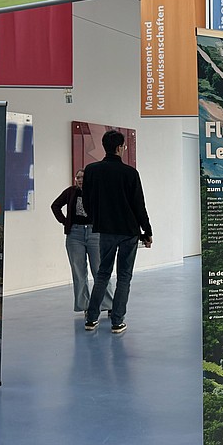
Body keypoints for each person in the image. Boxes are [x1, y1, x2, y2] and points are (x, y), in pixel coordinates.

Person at [82, 130, 153, 334]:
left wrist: (96, 219)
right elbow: (139, 205)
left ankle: (91, 318)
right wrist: (147, 230)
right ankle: (117, 321)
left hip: (105, 230)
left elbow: (87, 201)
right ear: (120, 147)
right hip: (128, 231)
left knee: (102, 274)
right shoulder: (130, 173)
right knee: (124, 277)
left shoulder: (92, 170)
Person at [50, 169, 113, 314]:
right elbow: (55, 206)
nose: (80, 180)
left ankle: (108, 304)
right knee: (78, 272)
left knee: (100, 270)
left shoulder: (97, 191)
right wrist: (65, 222)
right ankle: (85, 306)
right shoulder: (70, 192)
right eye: (78, 177)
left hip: (95, 234)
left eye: (83, 177)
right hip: (75, 235)